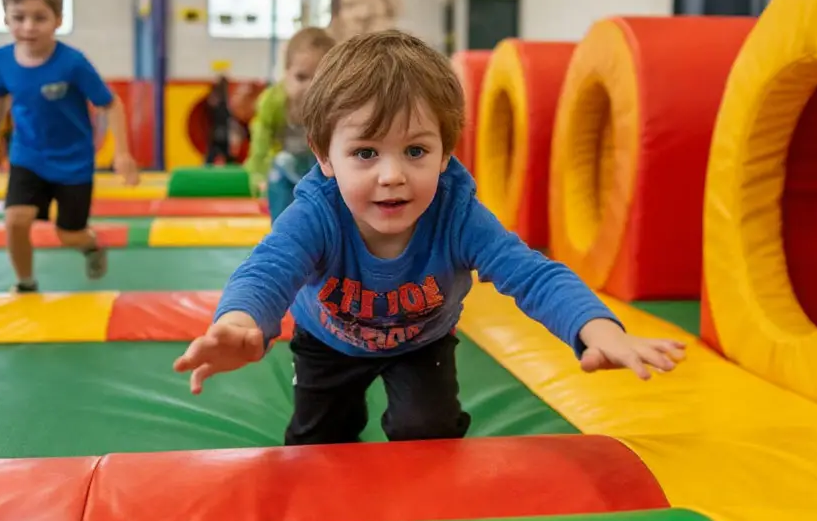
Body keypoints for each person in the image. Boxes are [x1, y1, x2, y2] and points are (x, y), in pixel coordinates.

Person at [175, 30, 685, 445]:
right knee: (319, 440)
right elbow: (269, 268)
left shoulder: (456, 213)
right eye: (366, 153)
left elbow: (532, 274)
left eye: (416, 151)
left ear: (445, 153)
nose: (392, 175)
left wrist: (597, 328)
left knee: (428, 432)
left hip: (420, 344)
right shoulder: (317, 213)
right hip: (328, 341)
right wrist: (240, 322)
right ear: (325, 156)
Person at [0, 0, 139, 293]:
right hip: (28, 156)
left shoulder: (72, 63)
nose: (28, 27)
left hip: (73, 162)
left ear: (58, 20)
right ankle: (25, 282)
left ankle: (90, 245)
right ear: (6, 19)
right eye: (19, 17)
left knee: (68, 234)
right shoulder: (1, 60)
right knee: (15, 220)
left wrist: (122, 153)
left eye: (40, 18)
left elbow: (111, 104)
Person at [243, 26, 336, 220]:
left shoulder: (333, 105)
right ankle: (282, 232)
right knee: (279, 173)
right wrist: (257, 174)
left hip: (319, 165)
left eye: (319, 78)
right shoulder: (274, 102)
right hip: (285, 164)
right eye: (301, 77)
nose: (310, 86)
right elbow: (261, 139)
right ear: (286, 74)